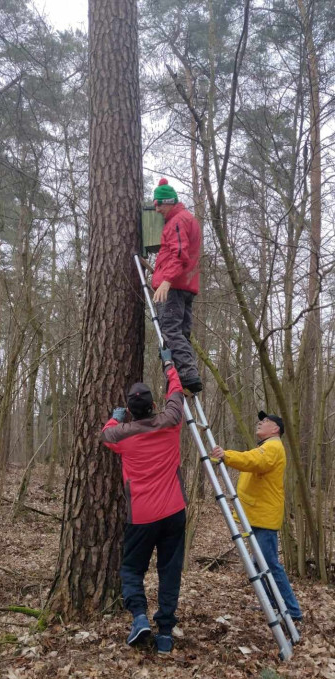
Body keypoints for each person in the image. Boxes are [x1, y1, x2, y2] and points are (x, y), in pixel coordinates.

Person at [101, 348, 187, 654]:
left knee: (132, 570)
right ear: (153, 405)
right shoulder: (170, 421)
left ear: (130, 411)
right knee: (170, 570)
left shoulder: (122, 435)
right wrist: (168, 365)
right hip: (174, 511)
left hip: (142, 515)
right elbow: (176, 392)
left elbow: (106, 434)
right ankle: (165, 633)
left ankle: (139, 617)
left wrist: (115, 417)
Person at [211, 411, 303, 621]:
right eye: (260, 419)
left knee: (269, 563)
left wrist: (227, 455)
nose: (260, 422)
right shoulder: (266, 446)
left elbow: (253, 461)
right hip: (258, 514)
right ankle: (272, 605)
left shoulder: (273, 447)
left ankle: (292, 610)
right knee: (258, 564)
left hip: (264, 516)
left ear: (276, 429)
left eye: (266, 421)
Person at [151, 177, 202, 394]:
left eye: (158, 204)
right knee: (181, 333)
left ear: (168, 202)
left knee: (170, 332)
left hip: (175, 286)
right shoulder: (187, 219)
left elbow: (179, 254)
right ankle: (181, 379)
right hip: (186, 286)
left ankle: (188, 376)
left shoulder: (177, 221)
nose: (156, 209)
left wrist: (166, 281)